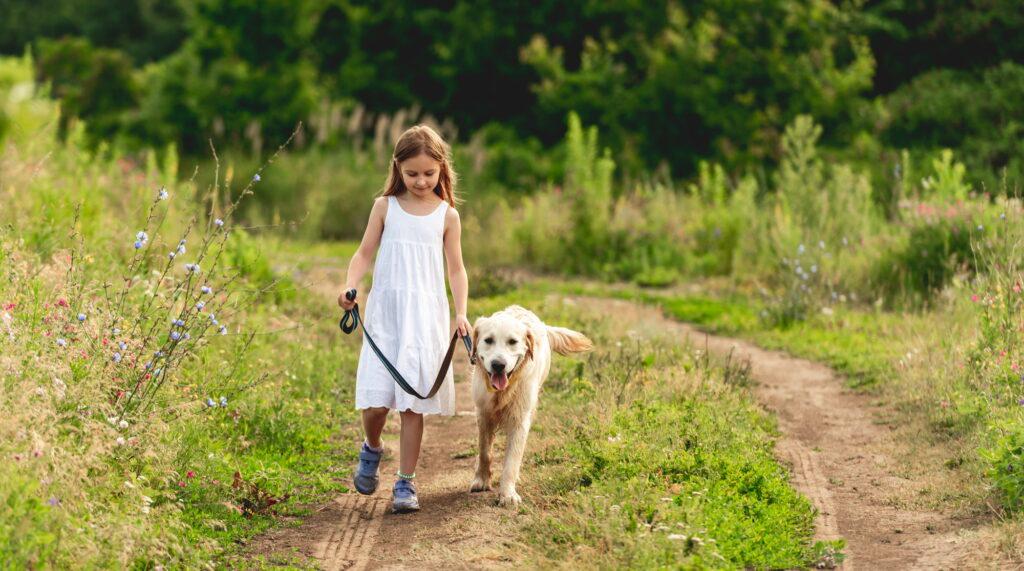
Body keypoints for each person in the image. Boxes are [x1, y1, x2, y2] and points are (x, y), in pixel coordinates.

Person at [337, 124, 470, 514]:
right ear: (398, 168)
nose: (421, 181)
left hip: (425, 317)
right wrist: (350, 286)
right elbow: (363, 254)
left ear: (441, 169)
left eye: (429, 173)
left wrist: (461, 313)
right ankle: (373, 447)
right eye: (412, 173)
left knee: (413, 405)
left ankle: (406, 483)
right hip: (387, 317)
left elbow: (457, 270)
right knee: (377, 404)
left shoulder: (447, 216)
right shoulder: (385, 207)